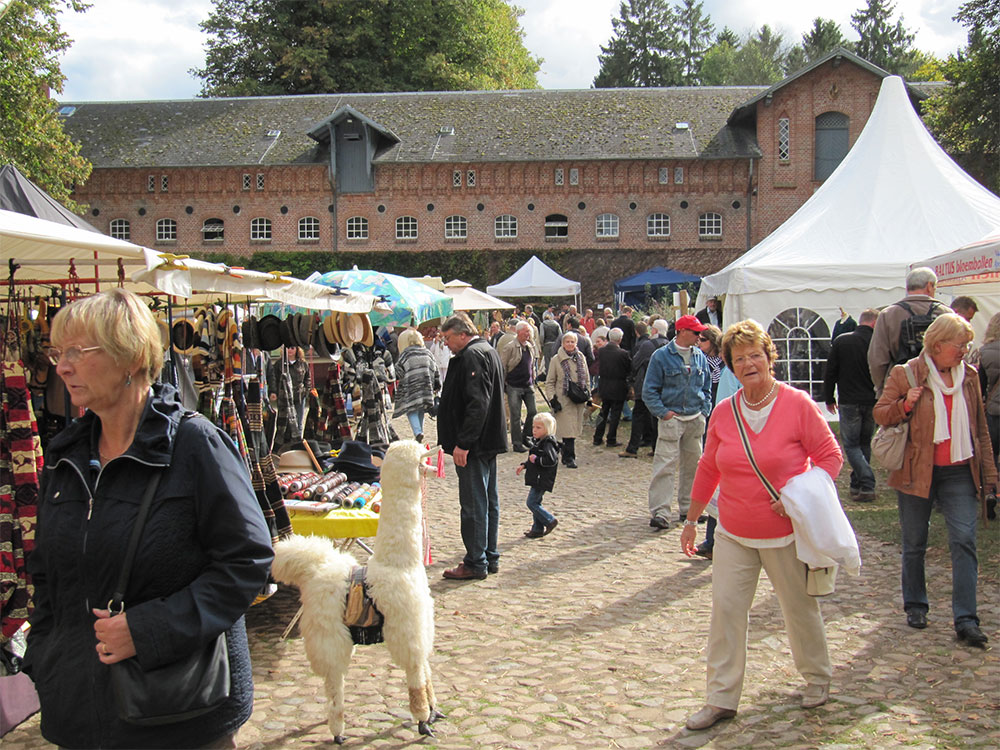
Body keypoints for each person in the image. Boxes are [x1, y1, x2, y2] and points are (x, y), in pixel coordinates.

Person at [24, 289, 273, 749]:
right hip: (79, 713)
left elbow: (248, 561)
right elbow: (47, 578)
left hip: (176, 714)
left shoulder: (194, 446)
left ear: (131, 358)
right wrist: (46, 659)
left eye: (78, 351)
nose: (62, 366)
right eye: (59, 352)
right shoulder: (66, 459)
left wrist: (150, 630)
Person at [680, 319, 844, 730]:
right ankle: (721, 698)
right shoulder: (724, 411)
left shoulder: (797, 404)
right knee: (727, 612)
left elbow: (830, 457)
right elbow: (707, 467)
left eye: (756, 355)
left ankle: (817, 677)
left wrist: (799, 497)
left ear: (770, 358)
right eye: (740, 358)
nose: (749, 363)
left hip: (784, 532)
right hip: (734, 529)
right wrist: (692, 518)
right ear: (732, 368)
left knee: (798, 608)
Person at [873, 313, 996, 647]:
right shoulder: (906, 373)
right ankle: (915, 605)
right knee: (914, 542)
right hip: (916, 469)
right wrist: (904, 404)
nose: (964, 351)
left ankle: (966, 619)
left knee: (964, 541)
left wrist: (991, 474)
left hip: (960, 470)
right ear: (938, 344)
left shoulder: (969, 376)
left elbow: (979, 428)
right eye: (960, 345)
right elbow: (881, 413)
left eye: (967, 345)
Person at [437, 314, 507, 580]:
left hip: (476, 444)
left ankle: (477, 561)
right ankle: (488, 556)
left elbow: (478, 402)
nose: (446, 344)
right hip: (487, 440)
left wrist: (463, 442)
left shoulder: (472, 355)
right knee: (488, 500)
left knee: (475, 503)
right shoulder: (487, 350)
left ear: (462, 334)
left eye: (448, 338)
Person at [643, 315, 712, 529]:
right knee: (665, 466)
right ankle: (661, 512)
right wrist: (663, 413)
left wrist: (704, 410)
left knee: (693, 467)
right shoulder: (661, 356)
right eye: (695, 332)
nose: (699, 336)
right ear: (682, 331)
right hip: (672, 418)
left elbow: (706, 387)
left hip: (694, 417)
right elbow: (649, 390)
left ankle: (689, 509)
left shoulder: (700, 356)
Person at [823, 309, 879, 502]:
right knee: (864, 443)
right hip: (871, 399)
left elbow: (831, 371)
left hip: (849, 400)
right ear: (874, 323)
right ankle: (859, 485)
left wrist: (828, 397)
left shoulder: (842, 341)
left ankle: (866, 482)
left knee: (852, 445)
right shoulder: (878, 343)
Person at [869, 267, 947, 395]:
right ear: (929, 286)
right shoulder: (945, 314)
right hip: (938, 387)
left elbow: (877, 359)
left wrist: (883, 388)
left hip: (899, 386)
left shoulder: (888, 314)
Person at [544, 331, 589, 469]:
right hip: (563, 398)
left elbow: (586, 378)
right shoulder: (556, 360)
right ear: (562, 344)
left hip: (579, 398)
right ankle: (569, 457)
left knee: (573, 429)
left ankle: (563, 452)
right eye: (567, 342)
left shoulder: (581, 357)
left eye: (572, 342)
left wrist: (588, 395)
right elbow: (550, 381)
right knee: (567, 430)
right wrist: (552, 399)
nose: (570, 344)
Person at [619, 321, 661, 459]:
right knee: (655, 418)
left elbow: (635, 363)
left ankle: (632, 448)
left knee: (638, 415)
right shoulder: (669, 344)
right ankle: (655, 447)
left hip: (646, 385)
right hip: (662, 387)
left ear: (654, 330)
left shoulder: (647, 346)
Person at [516, 413, 560, 538]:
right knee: (536, 502)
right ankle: (537, 528)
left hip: (542, 478)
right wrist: (524, 465)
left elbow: (551, 460)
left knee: (532, 503)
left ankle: (549, 520)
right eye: (534, 427)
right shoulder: (539, 442)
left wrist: (536, 460)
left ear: (547, 429)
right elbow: (532, 458)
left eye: (538, 428)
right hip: (537, 477)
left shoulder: (548, 443)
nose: (534, 430)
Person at [393, 327, 440, 443]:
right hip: (426, 385)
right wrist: (436, 385)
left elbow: (398, 371)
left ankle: (418, 432)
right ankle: (420, 431)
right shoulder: (427, 353)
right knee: (421, 409)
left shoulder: (406, 353)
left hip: (411, 386)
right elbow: (436, 370)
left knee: (411, 409)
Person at [500, 321, 538, 453]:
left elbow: (532, 365)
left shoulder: (530, 347)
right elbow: (502, 366)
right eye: (526, 331)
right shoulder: (510, 347)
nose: (528, 334)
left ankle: (526, 436)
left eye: (529, 332)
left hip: (528, 385)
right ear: (518, 332)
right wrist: (503, 384)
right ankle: (516, 443)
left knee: (533, 412)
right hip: (514, 386)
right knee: (515, 416)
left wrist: (533, 378)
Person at [593, 328, 631, 448]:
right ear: (620, 339)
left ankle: (597, 437)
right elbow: (629, 368)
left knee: (603, 412)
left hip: (604, 385)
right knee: (615, 414)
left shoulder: (602, 351)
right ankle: (611, 438)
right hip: (618, 386)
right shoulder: (623, 354)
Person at [267, 345, 311, 446]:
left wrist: (306, 391)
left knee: (298, 423)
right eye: (287, 348)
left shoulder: (303, 364)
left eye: (292, 348)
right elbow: (274, 379)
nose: (290, 350)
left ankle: (297, 446)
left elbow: (308, 378)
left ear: (297, 349)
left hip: (299, 397)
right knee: (283, 423)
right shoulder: (280, 364)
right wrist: (273, 392)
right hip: (284, 398)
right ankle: (283, 446)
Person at [976, 312, 1000, 474]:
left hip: (994, 409)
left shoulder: (985, 352)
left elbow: (980, 386)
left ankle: (995, 489)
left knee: (992, 453)